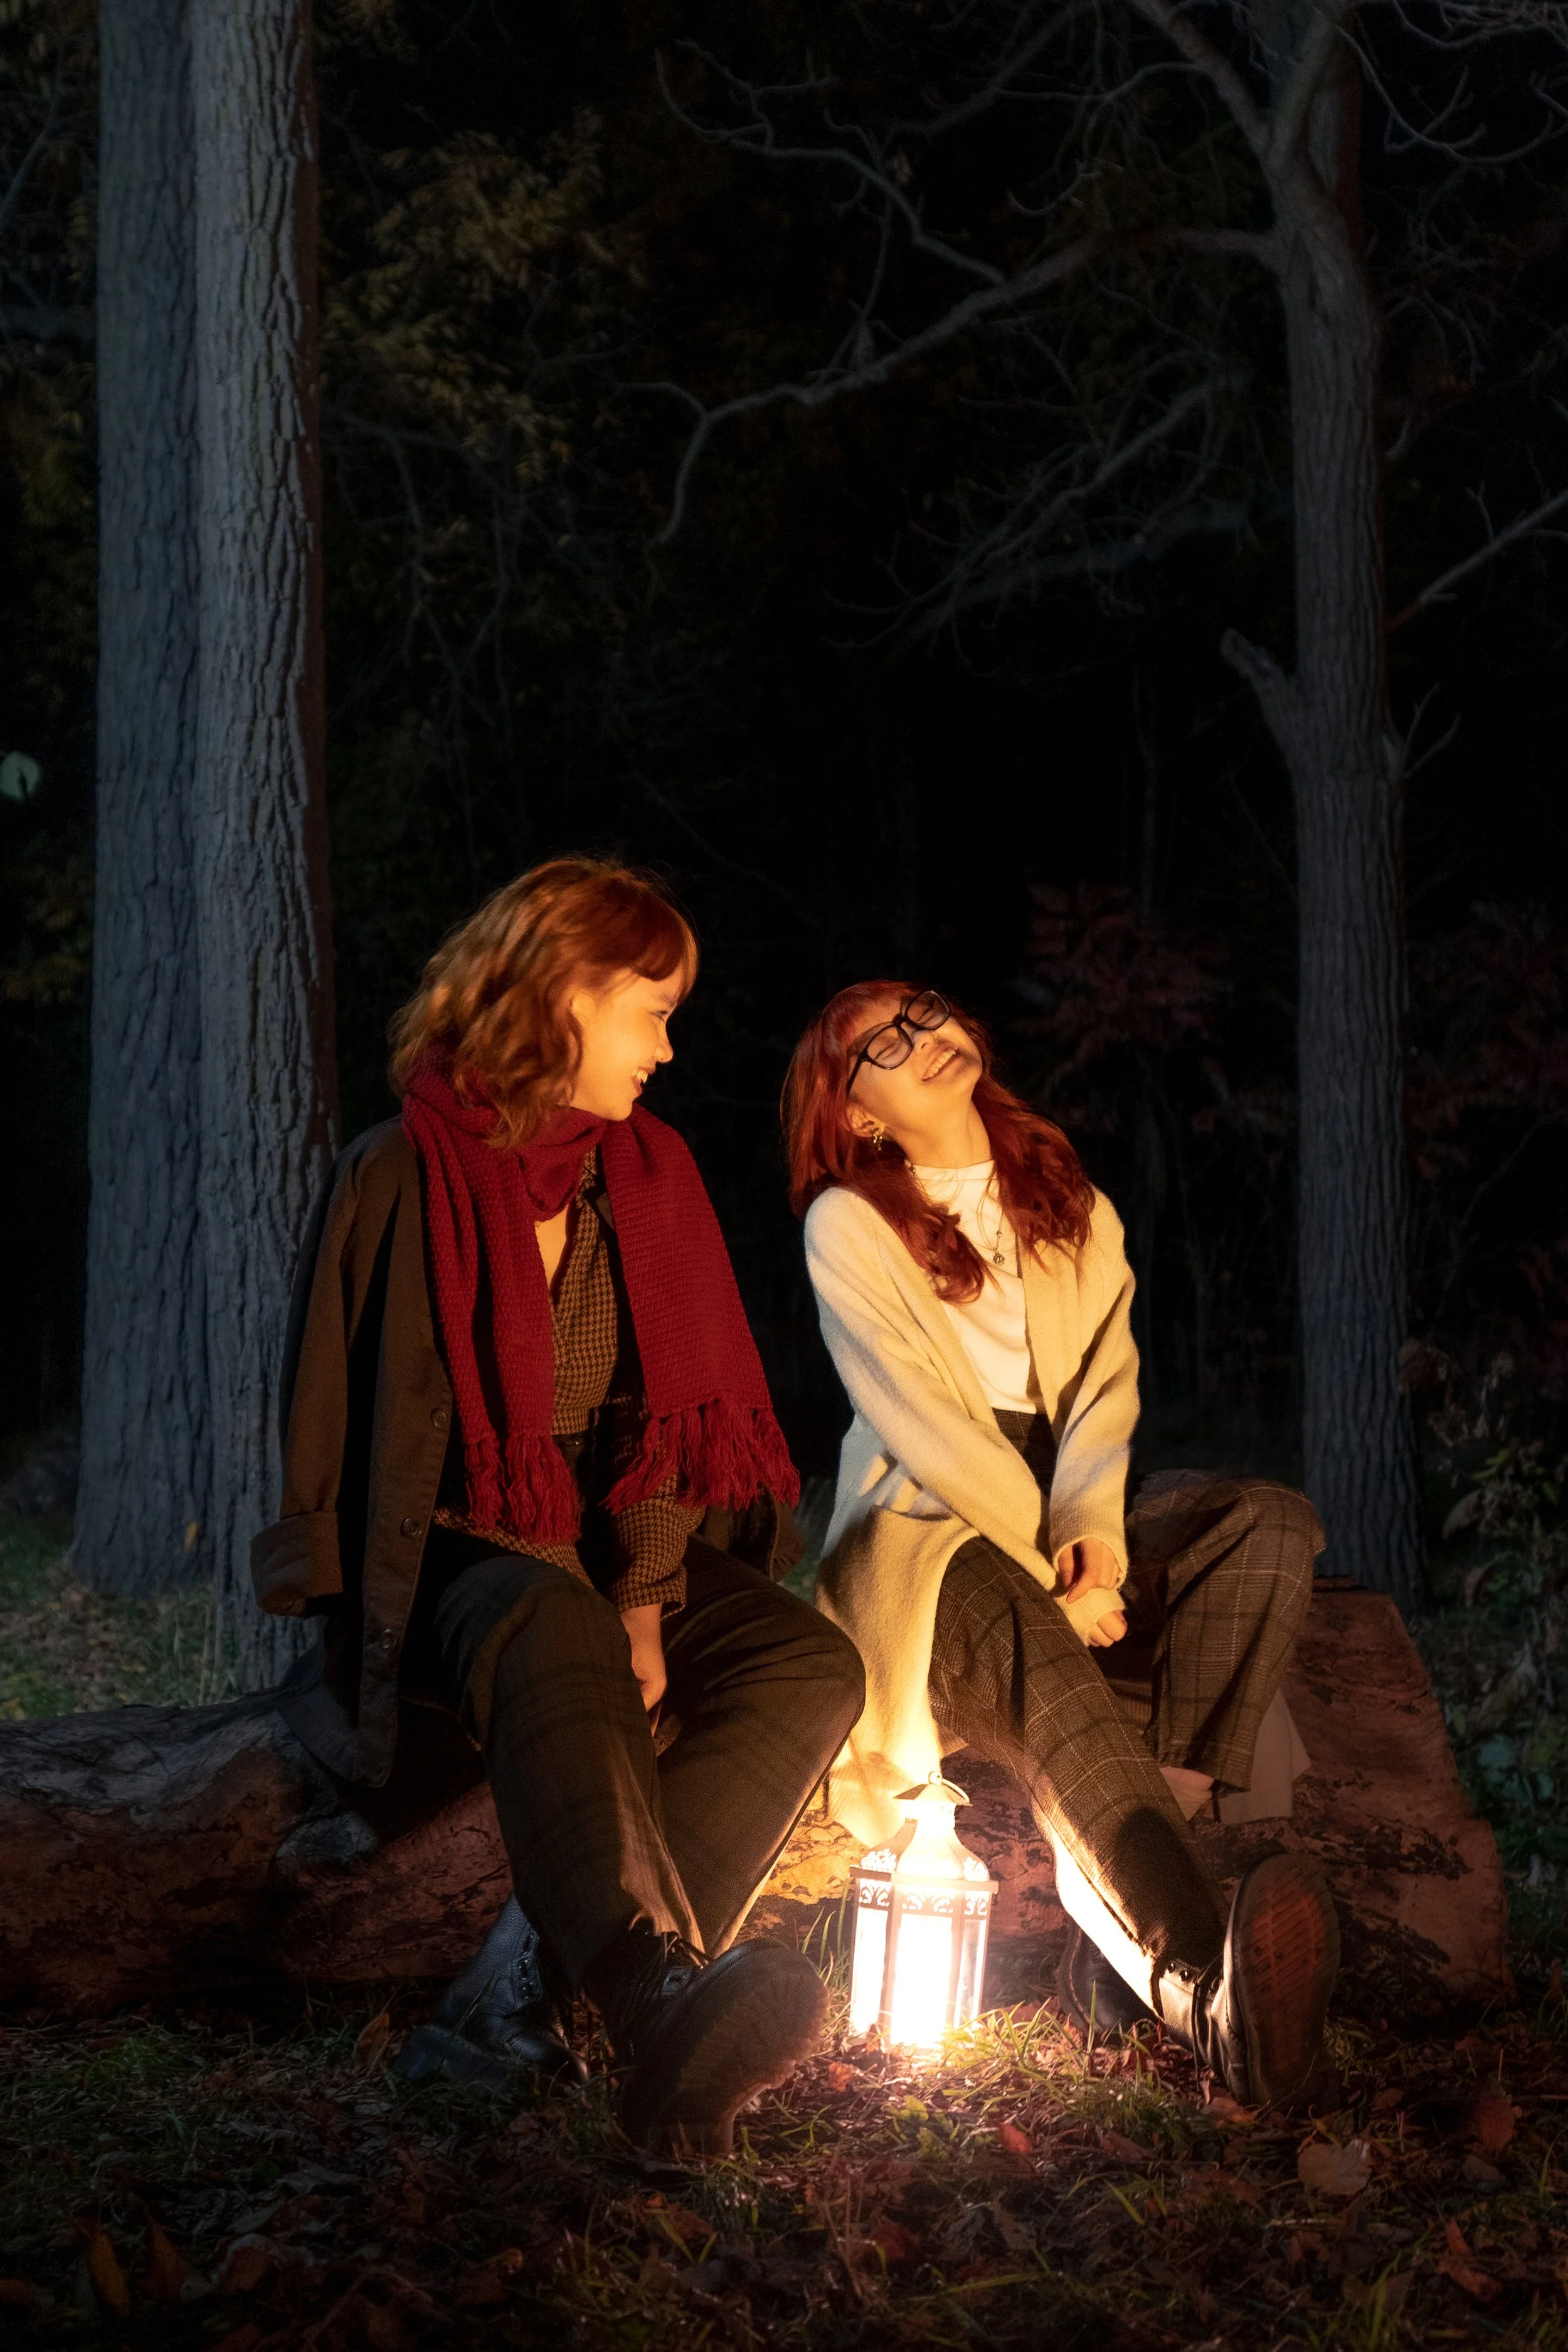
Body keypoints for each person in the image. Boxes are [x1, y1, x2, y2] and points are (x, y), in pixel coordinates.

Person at [252, 859, 865, 2157]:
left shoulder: (641, 1178)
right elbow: (354, 1439)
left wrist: (648, 1602)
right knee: (552, 1620)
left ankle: (529, 2006)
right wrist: (592, 1611)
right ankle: (652, 1998)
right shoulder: (398, 1177)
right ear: (567, 996)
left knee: (802, 1661)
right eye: (650, 1008)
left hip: (602, 1567)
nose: (668, 1043)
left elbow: (660, 1434)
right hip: (457, 1571)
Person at [783, 982, 1338, 2111]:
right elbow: (929, 1430)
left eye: (927, 1013)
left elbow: (1104, 1389)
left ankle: (1121, 1935)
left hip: (1059, 1510)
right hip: (924, 1530)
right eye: (880, 1046)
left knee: (1268, 1524)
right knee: (1032, 1635)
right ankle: (1199, 1987)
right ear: (861, 1116)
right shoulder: (847, 1220)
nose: (924, 1039)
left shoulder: (1060, 1188)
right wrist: (1052, 1575)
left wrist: (1092, 1535)